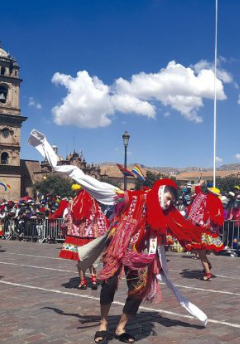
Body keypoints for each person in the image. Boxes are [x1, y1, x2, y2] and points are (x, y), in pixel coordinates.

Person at [29, 130, 210, 344]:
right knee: (109, 283)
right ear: (160, 192)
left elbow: (184, 229)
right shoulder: (131, 198)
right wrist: (49, 152)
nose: (169, 203)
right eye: (168, 198)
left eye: (172, 201)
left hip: (142, 253)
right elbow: (87, 180)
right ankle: (104, 323)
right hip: (119, 246)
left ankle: (121, 328)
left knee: (139, 290)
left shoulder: (166, 215)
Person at [59, 184, 108, 290]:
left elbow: (67, 217)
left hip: (77, 236)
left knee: (80, 260)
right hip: (91, 236)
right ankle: (94, 280)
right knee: (91, 259)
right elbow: (101, 219)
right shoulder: (94, 204)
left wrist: (67, 227)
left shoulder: (73, 203)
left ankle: (83, 282)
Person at [185, 184, 225, 281]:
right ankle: (207, 267)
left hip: (200, 230)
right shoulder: (218, 204)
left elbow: (198, 193)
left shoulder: (204, 199)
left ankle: (208, 273)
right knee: (200, 252)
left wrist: (198, 186)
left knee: (201, 253)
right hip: (208, 231)